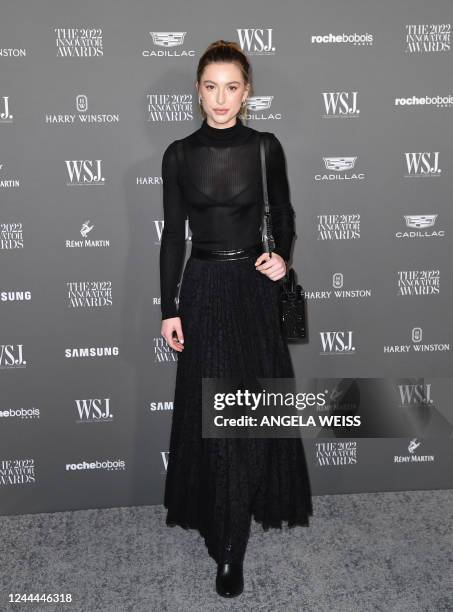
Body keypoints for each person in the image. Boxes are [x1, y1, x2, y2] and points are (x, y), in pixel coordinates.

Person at [160, 40, 313, 598]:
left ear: (247, 92)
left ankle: (232, 544)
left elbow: (284, 213)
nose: (220, 99)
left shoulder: (266, 147)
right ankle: (225, 533)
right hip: (202, 289)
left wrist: (282, 257)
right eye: (210, 86)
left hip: (253, 290)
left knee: (248, 412)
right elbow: (171, 239)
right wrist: (168, 308)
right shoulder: (177, 154)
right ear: (197, 89)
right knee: (213, 410)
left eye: (232, 87)